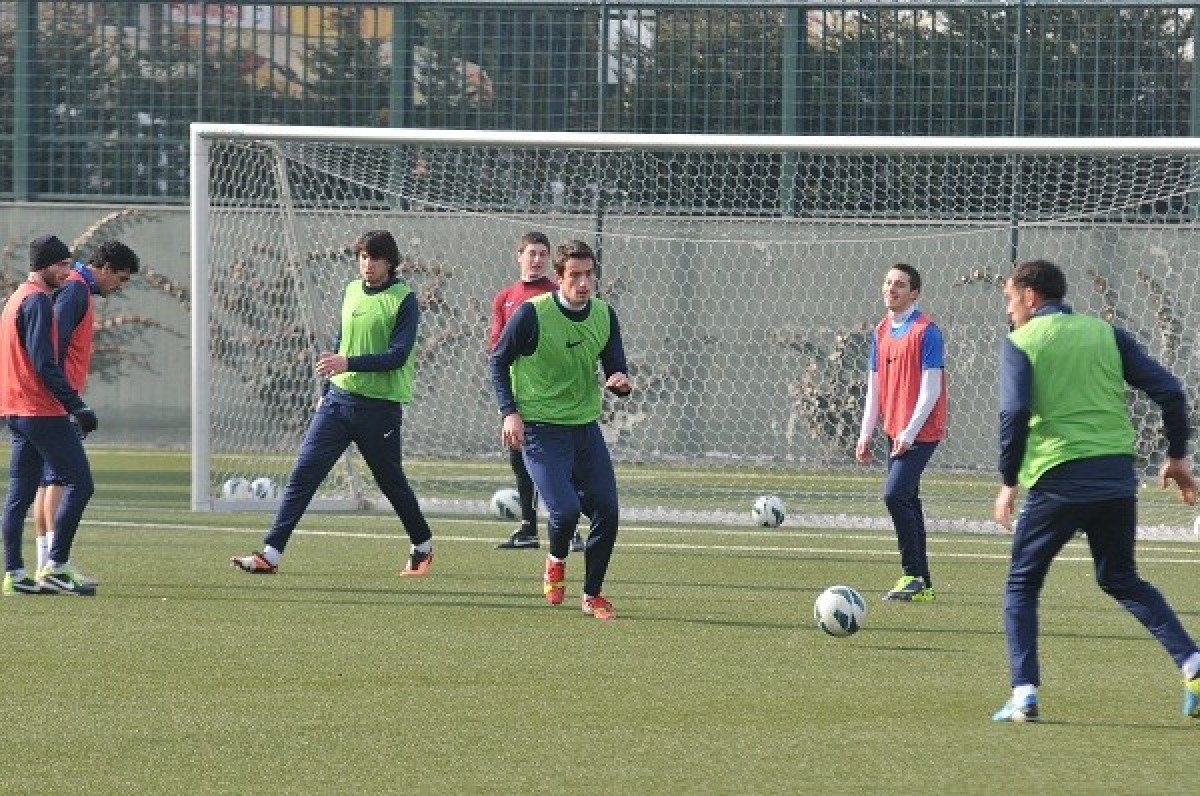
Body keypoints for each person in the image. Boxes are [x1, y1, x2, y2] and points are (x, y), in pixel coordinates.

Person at [991, 259, 1200, 723]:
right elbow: (1170, 391)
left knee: (1022, 584)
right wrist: (1177, 458)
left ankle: (1024, 694)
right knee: (1120, 578)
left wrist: (1008, 482)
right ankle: (1194, 664)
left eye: (1009, 299)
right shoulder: (1105, 333)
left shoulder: (1020, 342)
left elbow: (1014, 413)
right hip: (1115, 479)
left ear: (1030, 297)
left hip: (1058, 480)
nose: (1008, 309)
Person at [230, 230, 435, 577]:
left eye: (375, 258)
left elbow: (398, 356)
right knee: (303, 474)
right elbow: (342, 341)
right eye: (363, 257)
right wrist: (326, 389)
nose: (368, 264)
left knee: (390, 482)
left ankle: (423, 545)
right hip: (337, 402)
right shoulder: (352, 290)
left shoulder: (404, 300)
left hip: (379, 409)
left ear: (390, 262)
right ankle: (270, 554)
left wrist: (348, 363)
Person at [489, 239, 632, 620]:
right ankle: (556, 561)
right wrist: (509, 412)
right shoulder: (532, 314)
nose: (583, 283)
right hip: (540, 430)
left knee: (608, 511)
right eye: (574, 276)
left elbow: (615, 364)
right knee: (565, 511)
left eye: (589, 275)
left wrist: (619, 381)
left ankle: (592, 595)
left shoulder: (604, 315)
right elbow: (498, 361)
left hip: (584, 429)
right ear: (559, 277)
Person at [33, 241, 140, 583]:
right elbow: (55, 345)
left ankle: (44, 563)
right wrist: (69, 398)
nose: (120, 286)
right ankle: (55, 565)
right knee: (63, 480)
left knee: (46, 481)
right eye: (121, 278)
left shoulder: (75, 287)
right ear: (105, 268)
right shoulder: (76, 290)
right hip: (58, 401)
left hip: (53, 398)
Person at [1, 234, 99, 596]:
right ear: (43, 265)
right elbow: (44, 362)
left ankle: (14, 574)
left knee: (19, 496)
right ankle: (57, 566)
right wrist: (77, 405)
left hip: (15, 408)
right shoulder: (39, 300)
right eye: (61, 264)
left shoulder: (15, 298)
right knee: (80, 483)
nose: (67, 271)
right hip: (40, 409)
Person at [855, 263, 947, 602]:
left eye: (900, 284)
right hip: (895, 431)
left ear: (914, 293)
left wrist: (909, 433)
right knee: (907, 499)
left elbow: (931, 389)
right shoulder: (881, 331)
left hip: (920, 432)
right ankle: (923, 584)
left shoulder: (927, 331)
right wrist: (865, 433)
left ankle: (911, 574)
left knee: (894, 495)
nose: (891, 289)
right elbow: (875, 387)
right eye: (888, 282)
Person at [489, 231, 583, 553]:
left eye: (543, 254)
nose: (538, 259)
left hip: (555, 396)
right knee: (521, 460)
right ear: (519, 256)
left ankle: (570, 530)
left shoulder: (557, 294)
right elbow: (498, 349)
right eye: (532, 253)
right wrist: (507, 405)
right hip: (519, 395)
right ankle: (529, 528)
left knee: (561, 464)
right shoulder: (505, 298)